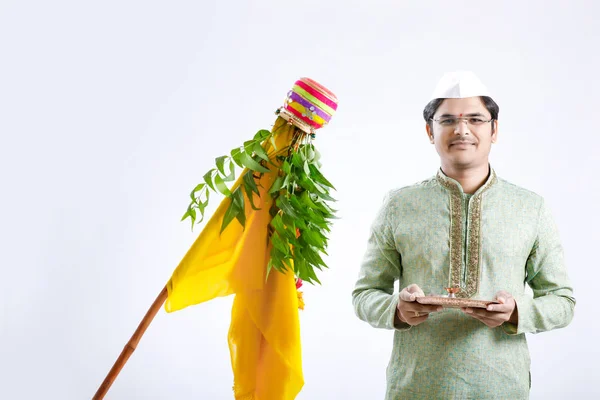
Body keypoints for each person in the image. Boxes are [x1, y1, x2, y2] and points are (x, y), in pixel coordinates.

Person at [351, 71, 575, 399]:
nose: (462, 130)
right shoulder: (399, 205)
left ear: (494, 129)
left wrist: (517, 312)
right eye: (448, 120)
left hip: (501, 386)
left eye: (475, 119)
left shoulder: (530, 208)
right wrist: (397, 310)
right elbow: (365, 294)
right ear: (430, 131)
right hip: (416, 386)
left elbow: (562, 301)